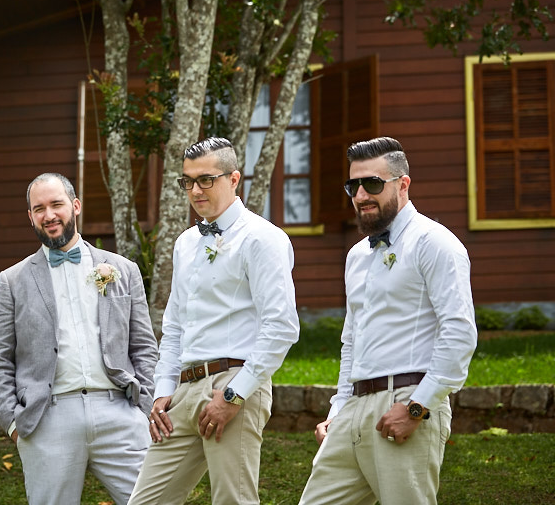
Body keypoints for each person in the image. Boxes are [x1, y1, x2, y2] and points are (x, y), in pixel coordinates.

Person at [298, 136, 477, 505]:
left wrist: (417, 407)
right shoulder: (356, 255)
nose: (362, 195)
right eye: (354, 185)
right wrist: (338, 409)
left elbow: (459, 334)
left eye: (373, 184)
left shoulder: (434, 243)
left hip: (407, 402)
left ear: (403, 184)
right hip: (353, 410)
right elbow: (352, 340)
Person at [129, 137, 300, 505]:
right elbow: (175, 325)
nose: (195, 190)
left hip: (233, 383)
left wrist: (235, 394)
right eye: (187, 181)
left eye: (206, 179)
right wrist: (162, 390)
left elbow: (282, 326)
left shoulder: (263, 238)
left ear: (234, 178)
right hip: (184, 390)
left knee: (232, 501)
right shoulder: (186, 243)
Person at [0, 173, 158, 505]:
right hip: (48, 418)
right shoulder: (12, 280)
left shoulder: (123, 269)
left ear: (75, 206)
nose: (48, 215)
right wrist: (12, 422)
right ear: (30, 217)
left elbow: (144, 346)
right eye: (39, 209)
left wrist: (144, 408)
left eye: (56, 204)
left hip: (120, 412)